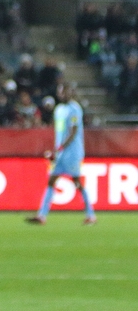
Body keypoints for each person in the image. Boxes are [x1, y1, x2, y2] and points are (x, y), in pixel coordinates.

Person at [26, 86, 95, 225]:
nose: (64, 94)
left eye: (66, 92)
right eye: (62, 92)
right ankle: (42, 216)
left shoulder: (74, 109)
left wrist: (60, 148)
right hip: (60, 152)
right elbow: (60, 133)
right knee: (51, 180)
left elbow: (73, 132)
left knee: (77, 182)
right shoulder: (58, 110)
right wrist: (56, 149)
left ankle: (91, 214)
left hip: (73, 152)